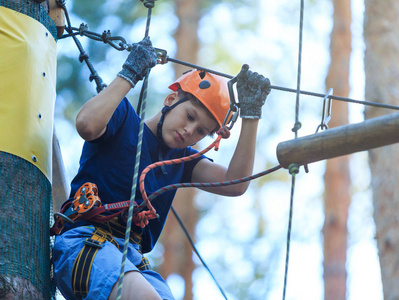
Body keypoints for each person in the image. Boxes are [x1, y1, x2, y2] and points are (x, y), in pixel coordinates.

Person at [52, 37, 271, 300]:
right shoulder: (122, 119)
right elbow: (86, 124)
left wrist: (251, 115)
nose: (190, 131)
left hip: (132, 262)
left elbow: (236, 183)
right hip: (84, 245)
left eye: (201, 131)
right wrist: (129, 73)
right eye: (190, 116)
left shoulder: (181, 162)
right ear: (170, 99)